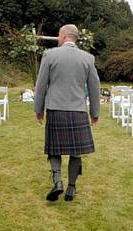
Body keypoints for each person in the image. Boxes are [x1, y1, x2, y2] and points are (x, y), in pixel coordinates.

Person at [34, 24, 101, 202]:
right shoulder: (88, 58)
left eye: (58, 34)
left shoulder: (50, 55)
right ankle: (71, 188)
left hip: (56, 109)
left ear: (64, 36)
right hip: (78, 110)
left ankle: (58, 182)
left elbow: (41, 85)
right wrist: (95, 112)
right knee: (75, 151)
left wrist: (38, 109)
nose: (57, 37)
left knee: (54, 149)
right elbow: (95, 88)